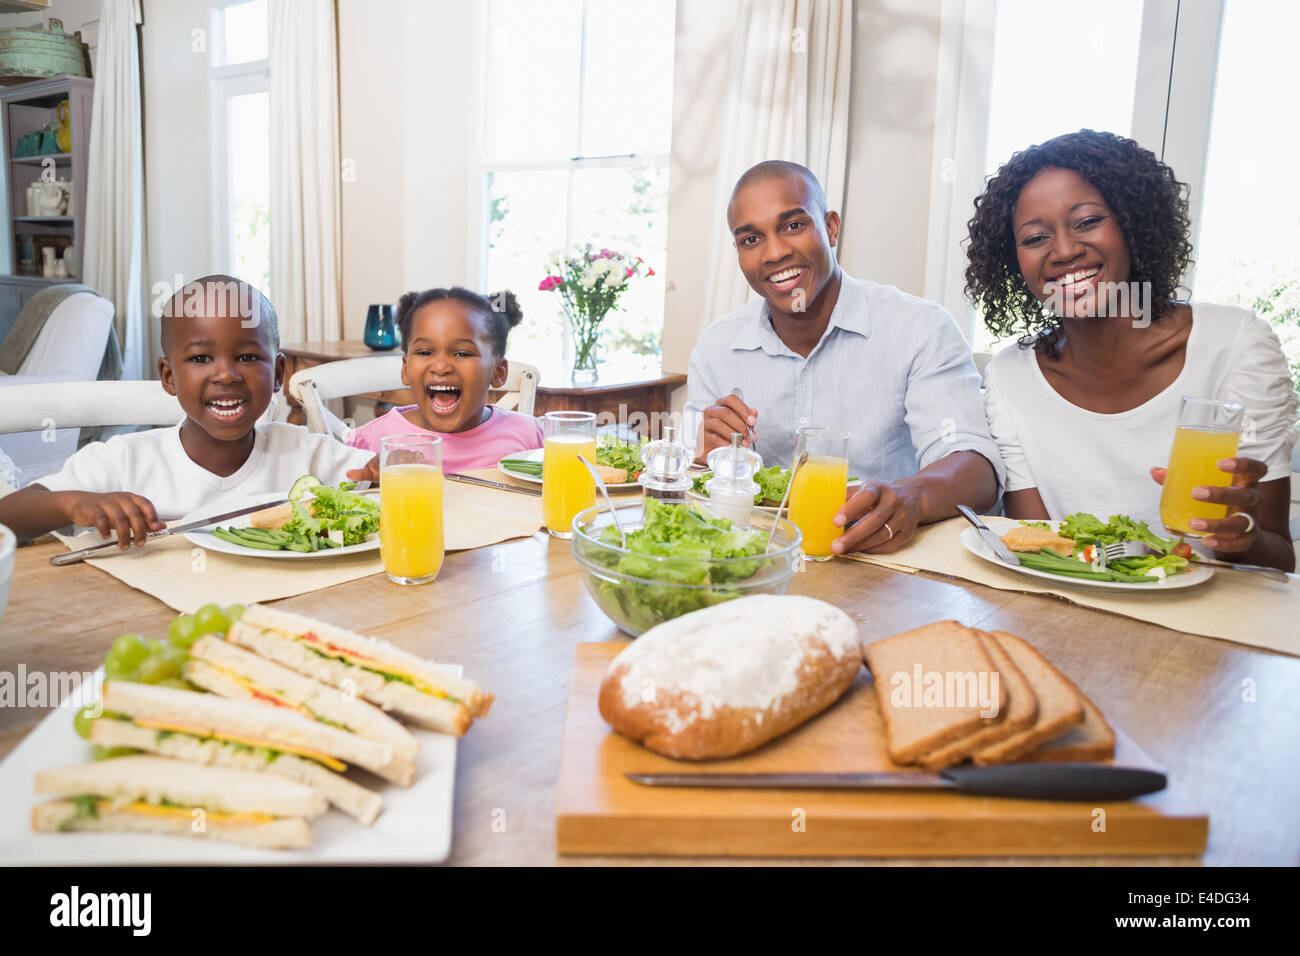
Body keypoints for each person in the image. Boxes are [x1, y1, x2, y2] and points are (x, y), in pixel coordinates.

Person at [966, 129, 1297, 571]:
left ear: (1133, 224)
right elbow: (1039, 552)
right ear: (1014, 260)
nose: (1064, 250)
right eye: (1035, 238)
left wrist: (1238, 538)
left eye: (1087, 221)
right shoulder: (1011, 377)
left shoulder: (1234, 344)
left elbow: (1278, 559)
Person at [687, 160, 1001, 554]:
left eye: (793, 226)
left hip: (884, 567)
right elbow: (694, 478)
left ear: (831, 227)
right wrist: (703, 457)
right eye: (751, 240)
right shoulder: (718, 347)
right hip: (756, 561)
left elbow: (975, 468)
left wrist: (912, 496)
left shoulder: (920, 328)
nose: (775, 253)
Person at [0, 275, 376, 547]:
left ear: (278, 373)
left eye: (246, 357)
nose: (226, 374)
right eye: (200, 358)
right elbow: (9, 516)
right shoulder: (125, 460)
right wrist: (72, 503)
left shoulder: (305, 452)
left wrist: (388, 468)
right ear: (168, 377)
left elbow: (380, 473)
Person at [346, 287, 543, 470]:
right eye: (424, 352)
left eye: (462, 354)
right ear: (405, 369)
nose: (440, 367)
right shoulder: (369, 442)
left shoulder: (527, 433)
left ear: (498, 372)